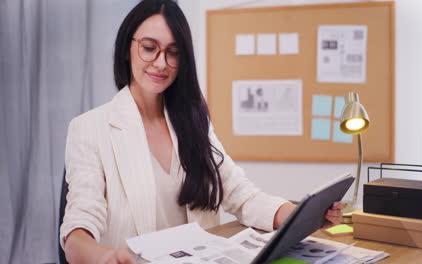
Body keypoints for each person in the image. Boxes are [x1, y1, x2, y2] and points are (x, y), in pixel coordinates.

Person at [59, 1, 345, 263]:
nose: (161, 63)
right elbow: (77, 232)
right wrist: (106, 257)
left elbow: (241, 196)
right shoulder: (90, 128)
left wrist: (300, 216)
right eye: (149, 48)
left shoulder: (193, 122)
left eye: (173, 53)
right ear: (127, 48)